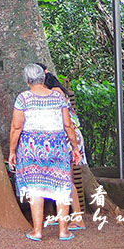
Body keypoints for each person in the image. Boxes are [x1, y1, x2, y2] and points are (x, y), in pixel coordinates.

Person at [9, 63, 81, 242]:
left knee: (35, 189)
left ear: (27, 81)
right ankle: (64, 231)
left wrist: (12, 151)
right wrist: (74, 148)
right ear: (43, 78)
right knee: (62, 187)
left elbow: (16, 127)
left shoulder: (23, 99)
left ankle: (37, 231)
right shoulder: (57, 98)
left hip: (31, 148)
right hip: (57, 146)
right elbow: (68, 125)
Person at [44, 71, 87, 231]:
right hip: (67, 137)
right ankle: (63, 215)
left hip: (68, 138)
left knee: (66, 180)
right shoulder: (59, 91)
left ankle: (78, 218)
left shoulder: (55, 92)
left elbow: (63, 120)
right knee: (61, 178)